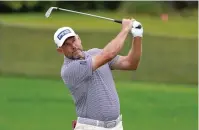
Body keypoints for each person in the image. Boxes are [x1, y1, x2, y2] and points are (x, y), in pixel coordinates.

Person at [53, 18, 143, 130]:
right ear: (60, 50)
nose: (73, 46)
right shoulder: (69, 70)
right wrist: (125, 29)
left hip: (117, 126)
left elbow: (131, 63)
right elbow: (108, 54)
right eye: (67, 44)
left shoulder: (95, 53)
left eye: (73, 40)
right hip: (91, 127)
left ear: (79, 39)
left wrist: (137, 35)